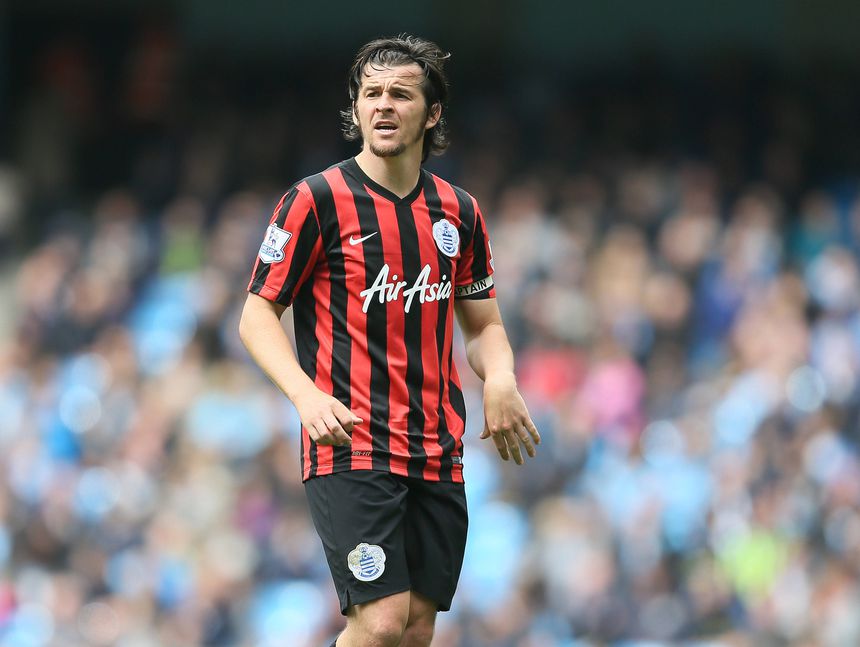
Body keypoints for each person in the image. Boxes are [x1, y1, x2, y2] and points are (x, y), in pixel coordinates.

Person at [239, 34, 540, 647]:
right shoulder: (315, 200)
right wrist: (305, 397)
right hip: (351, 440)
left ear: (431, 114)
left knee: (415, 627)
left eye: (400, 94)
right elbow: (256, 315)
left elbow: (482, 325)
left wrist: (502, 378)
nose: (382, 106)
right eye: (370, 94)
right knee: (378, 621)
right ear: (355, 108)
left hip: (436, 445)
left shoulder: (459, 212)